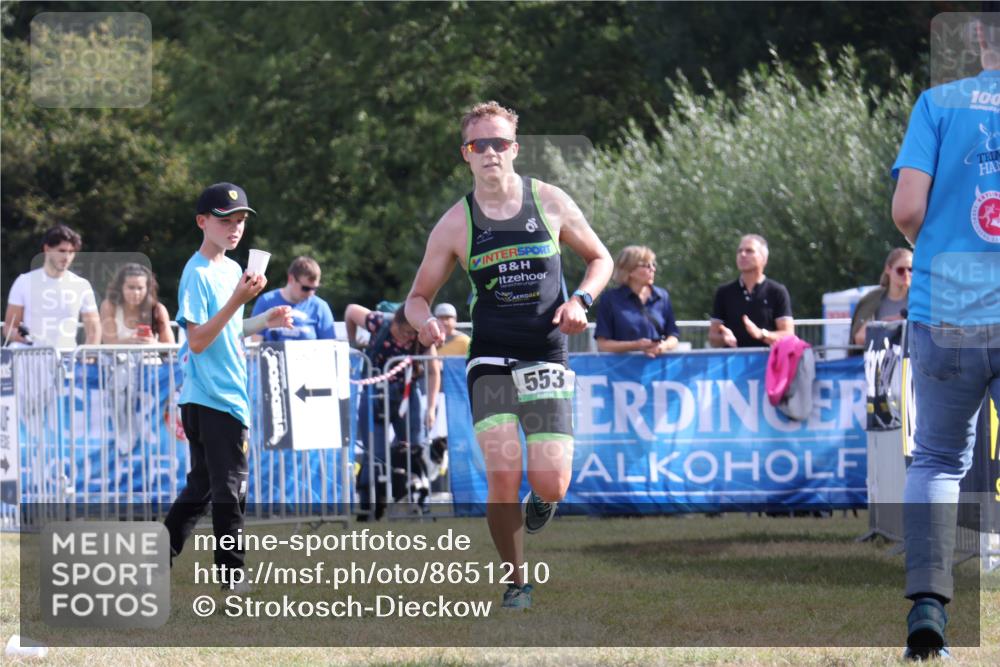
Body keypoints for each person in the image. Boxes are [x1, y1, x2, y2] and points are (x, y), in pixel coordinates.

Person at [404, 101, 613, 609]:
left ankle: (544, 498)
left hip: (546, 354)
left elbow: (601, 259)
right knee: (502, 471)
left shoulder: (550, 201)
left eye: (500, 143)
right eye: (480, 144)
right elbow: (417, 298)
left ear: (515, 149)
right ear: (466, 154)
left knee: (552, 482)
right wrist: (424, 322)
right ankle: (516, 580)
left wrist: (580, 301)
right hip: (491, 358)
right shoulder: (455, 224)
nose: (490, 152)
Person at [891, 14, 1000, 661]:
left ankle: (928, 605)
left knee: (936, 459)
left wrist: (929, 245)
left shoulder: (937, 104)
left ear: (981, 37)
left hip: (946, 307)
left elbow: (908, 209)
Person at [163, 183, 293, 590]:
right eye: (225, 221)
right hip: (215, 398)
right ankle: (232, 575)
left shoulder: (233, 270)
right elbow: (198, 341)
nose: (235, 228)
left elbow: (228, 330)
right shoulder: (197, 273)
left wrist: (264, 320)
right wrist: (238, 301)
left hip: (217, 396)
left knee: (202, 486)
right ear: (202, 222)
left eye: (239, 221)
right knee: (232, 488)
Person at [344, 303, 440, 520]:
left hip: (407, 395)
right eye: (405, 332)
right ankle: (369, 508)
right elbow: (350, 311)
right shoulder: (379, 322)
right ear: (395, 322)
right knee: (374, 453)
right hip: (374, 393)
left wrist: (431, 408)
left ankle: (419, 505)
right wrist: (353, 343)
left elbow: (433, 371)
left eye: (412, 334)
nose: (409, 338)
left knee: (415, 449)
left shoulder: (421, 335)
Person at [3, 224, 101, 348]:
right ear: (47, 249)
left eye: (71, 252)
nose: (67, 257)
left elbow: (94, 328)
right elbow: (9, 326)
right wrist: (21, 338)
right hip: (30, 355)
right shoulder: (24, 282)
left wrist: (89, 355)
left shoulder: (82, 285)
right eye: (62, 251)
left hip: (66, 357)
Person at [708, 234, 794, 348]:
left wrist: (762, 334)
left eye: (749, 251)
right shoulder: (724, 292)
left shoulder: (777, 291)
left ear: (764, 258)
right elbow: (713, 338)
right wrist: (723, 338)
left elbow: (788, 335)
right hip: (733, 358)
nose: (742, 255)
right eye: (739, 251)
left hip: (767, 358)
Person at [594, 245, 679, 356]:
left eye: (653, 265)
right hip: (621, 366)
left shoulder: (662, 296)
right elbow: (603, 345)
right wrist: (636, 345)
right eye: (646, 265)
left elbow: (673, 336)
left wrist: (664, 346)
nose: (653, 269)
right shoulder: (610, 299)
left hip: (657, 365)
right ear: (629, 270)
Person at [249, 256, 336, 342]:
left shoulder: (320, 307)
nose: (311, 293)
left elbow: (329, 345)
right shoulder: (266, 301)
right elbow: (256, 343)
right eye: (306, 288)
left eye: (315, 288)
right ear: (291, 279)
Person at [848, 248, 912, 355]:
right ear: (888, 269)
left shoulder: (919, 301)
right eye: (900, 270)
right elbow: (859, 338)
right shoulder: (872, 299)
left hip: (910, 361)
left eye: (910, 270)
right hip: (877, 361)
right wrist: (886, 324)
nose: (906, 274)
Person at [100, 263, 176, 344]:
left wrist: (153, 343)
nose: (136, 293)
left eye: (140, 288)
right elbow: (109, 343)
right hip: (116, 353)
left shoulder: (158, 309)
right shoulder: (109, 306)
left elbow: (170, 345)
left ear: (148, 289)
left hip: (150, 352)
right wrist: (131, 341)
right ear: (120, 287)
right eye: (131, 287)